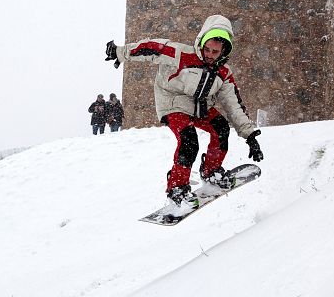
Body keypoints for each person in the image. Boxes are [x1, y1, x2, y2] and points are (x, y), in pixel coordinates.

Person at [104, 14, 263, 206]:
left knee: (221, 128)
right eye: (207, 49)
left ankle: (211, 171)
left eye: (215, 51)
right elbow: (150, 48)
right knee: (189, 140)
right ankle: (177, 187)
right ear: (201, 42)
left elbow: (234, 104)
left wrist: (250, 136)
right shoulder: (180, 53)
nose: (210, 55)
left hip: (200, 107)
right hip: (172, 103)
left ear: (224, 52)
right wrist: (120, 52)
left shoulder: (224, 73)